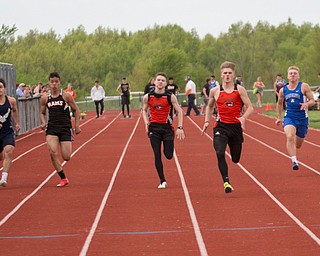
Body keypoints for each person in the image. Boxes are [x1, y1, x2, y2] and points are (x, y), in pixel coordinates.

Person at [201, 61, 253, 193]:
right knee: (219, 152)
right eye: (225, 73)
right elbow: (210, 106)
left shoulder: (239, 89)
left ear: (233, 75)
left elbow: (250, 107)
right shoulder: (215, 90)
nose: (227, 75)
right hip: (221, 127)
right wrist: (207, 121)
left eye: (230, 73)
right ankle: (226, 182)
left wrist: (243, 118)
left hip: (235, 128)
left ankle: (233, 158)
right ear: (221, 75)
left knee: (235, 159)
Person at [142, 72, 185, 189]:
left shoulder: (170, 97)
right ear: (154, 82)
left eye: (162, 80)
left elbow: (180, 111)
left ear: (165, 83)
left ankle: (169, 150)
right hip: (154, 128)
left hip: (167, 128)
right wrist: (146, 122)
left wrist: (180, 127)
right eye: (158, 80)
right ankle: (162, 180)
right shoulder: (148, 97)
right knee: (157, 153)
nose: (160, 82)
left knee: (169, 155)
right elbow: (144, 110)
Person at [40, 72, 81, 187]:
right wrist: (43, 122)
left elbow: (76, 110)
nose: (54, 84)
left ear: (59, 83)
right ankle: (63, 178)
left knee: (66, 157)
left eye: (56, 82)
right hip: (52, 128)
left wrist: (77, 126)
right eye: (52, 82)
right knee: (52, 152)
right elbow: (42, 113)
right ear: (49, 83)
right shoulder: (45, 98)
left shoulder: (65, 96)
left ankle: (63, 173)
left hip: (65, 128)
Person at [275, 66, 314, 170]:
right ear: (287, 76)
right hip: (289, 117)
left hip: (302, 119)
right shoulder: (283, 90)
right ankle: (294, 160)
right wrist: (279, 117)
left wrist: (306, 104)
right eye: (291, 73)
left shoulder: (304, 86)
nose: (292, 75)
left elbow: (312, 100)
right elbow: (279, 103)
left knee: (298, 145)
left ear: (298, 76)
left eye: (295, 73)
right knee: (290, 136)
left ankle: (295, 151)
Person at [0, 78, 20, 187]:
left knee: (9, 151)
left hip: (7, 132)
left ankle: (4, 177)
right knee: (1, 156)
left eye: (1, 87)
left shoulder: (11, 101)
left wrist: (17, 123)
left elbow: (15, 110)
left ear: (4, 89)